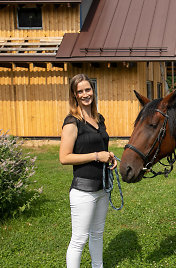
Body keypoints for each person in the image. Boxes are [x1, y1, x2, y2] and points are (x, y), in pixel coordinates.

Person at [59, 74, 117, 268]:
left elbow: (99, 147)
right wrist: (96, 156)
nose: (85, 94)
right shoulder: (72, 122)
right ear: (74, 95)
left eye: (88, 89)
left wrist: (108, 156)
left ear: (93, 90)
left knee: (98, 234)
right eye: (80, 91)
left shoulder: (99, 119)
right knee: (79, 240)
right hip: (83, 191)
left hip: (102, 188)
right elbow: (64, 157)